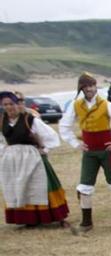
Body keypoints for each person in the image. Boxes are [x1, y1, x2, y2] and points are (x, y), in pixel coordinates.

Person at [59, 73, 111, 233]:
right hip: (89, 152)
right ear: (81, 88)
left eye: (92, 85)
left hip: (108, 151)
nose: (89, 89)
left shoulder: (106, 105)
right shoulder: (75, 105)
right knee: (85, 185)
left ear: (95, 87)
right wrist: (76, 144)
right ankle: (87, 222)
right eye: (86, 86)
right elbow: (64, 126)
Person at [0, 91, 70, 228]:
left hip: (33, 157)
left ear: (17, 104)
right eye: (5, 104)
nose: (9, 107)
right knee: (21, 187)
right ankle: (30, 219)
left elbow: (50, 136)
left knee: (42, 185)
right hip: (14, 160)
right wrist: (5, 151)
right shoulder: (2, 121)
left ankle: (57, 216)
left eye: (12, 104)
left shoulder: (30, 119)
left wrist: (44, 149)